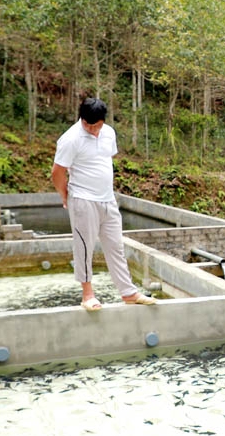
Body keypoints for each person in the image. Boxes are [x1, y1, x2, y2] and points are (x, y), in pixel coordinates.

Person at [51, 97, 156, 311]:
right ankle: (88, 294)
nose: (92, 129)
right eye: (88, 125)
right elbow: (57, 172)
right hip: (83, 199)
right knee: (84, 247)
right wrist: (65, 195)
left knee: (116, 245)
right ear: (82, 119)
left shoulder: (108, 133)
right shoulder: (70, 139)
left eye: (96, 125)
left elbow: (104, 160)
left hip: (107, 198)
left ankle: (128, 292)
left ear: (103, 121)